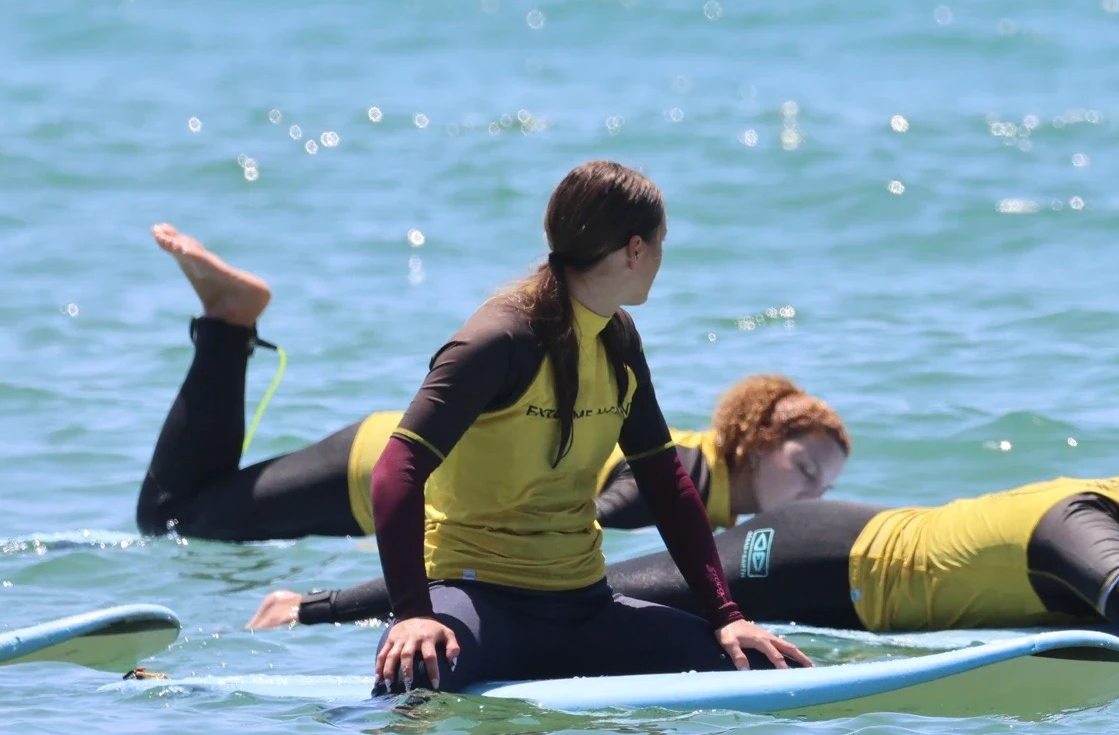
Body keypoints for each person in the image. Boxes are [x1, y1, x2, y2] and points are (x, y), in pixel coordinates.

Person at [362, 160, 801, 691]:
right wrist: (413, 611)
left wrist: (727, 616)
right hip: (477, 598)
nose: (661, 260)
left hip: (582, 607)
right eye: (661, 245)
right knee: (415, 679)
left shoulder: (617, 339)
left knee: (761, 670)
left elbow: (665, 482)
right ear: (635, 249)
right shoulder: (499, 341)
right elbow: (396, 469)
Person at [136, 225, 847, 544]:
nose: (813, 494)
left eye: (825, 484)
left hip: (414, 455)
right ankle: (231, 322)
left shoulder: (701, 478)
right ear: (755, 444)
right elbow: (576, 525)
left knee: (199, 513)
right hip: (387, 470)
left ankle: (230, 323)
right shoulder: (677, 482)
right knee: (173, 521)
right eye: (805, 468)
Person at [260, 478, 1119, 643]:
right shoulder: (1085, 530)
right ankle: (319, 610)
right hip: (810, 563)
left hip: (844, 549)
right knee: (562, 587)